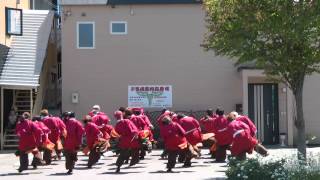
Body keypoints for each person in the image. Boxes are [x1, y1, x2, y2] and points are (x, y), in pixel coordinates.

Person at [114, 109, 141, 173]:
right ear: (122, 115)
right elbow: (132, 129)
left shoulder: (117, 124)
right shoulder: (127, 121)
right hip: (131, 138)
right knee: (136, 149)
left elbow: (117, 131)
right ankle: (134, 161)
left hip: (124, 139)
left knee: (123, 153)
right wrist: (135, 134)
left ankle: (118, 166)